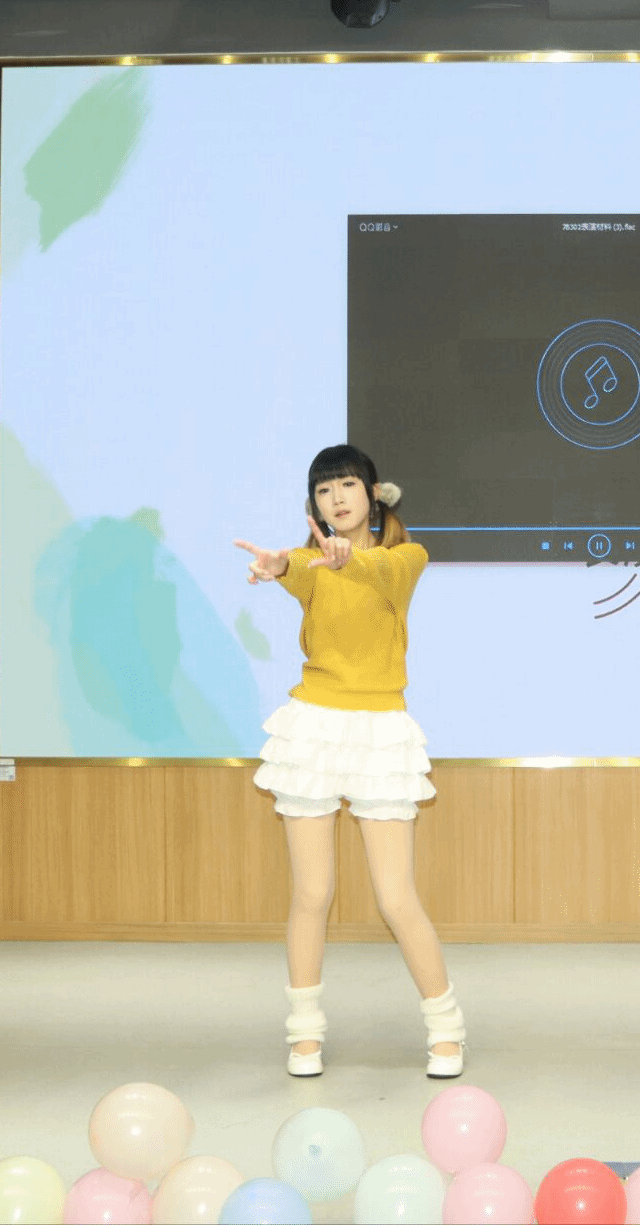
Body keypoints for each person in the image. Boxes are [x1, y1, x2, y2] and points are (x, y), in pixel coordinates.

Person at [233, 444, 465, 1078]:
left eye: (346, 486)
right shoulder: (311, 561)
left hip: (380, 731)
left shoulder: (406, 558)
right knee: (312, 893)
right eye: (323, 490)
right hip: (313, 727)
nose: (335, 498)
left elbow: (378, 572)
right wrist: (281, 565)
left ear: (373, 494)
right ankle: (304, 1035)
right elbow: (296, 568)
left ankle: (447, 1029)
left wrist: (346, 558)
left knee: (396, 897)